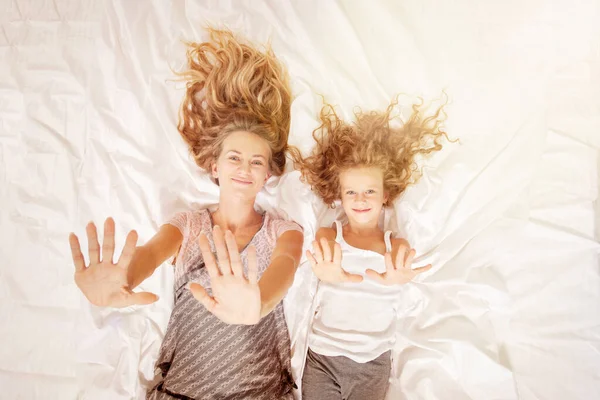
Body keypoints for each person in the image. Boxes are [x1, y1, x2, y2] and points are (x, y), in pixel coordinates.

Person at [68, 29, 304, 399]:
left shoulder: (283, 231)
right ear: (214, 167)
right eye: (234, 158)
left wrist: (258, 303)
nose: (244, 168)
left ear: (268, 174)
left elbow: (285, 268)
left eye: (256, 161)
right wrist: (123, 277)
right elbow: (151, 253)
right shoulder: (190, 226)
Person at [295, 98, 449, 399]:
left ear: (385, 197)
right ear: (339, 196)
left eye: (369, 191)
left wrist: (398, 279)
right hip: (323, 357)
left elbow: (403, 265)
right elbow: (321, 249)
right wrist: (327, 272)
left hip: (372, 361)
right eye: (351, 192)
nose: (360, 199)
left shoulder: (393, 243)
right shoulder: (333, 233)